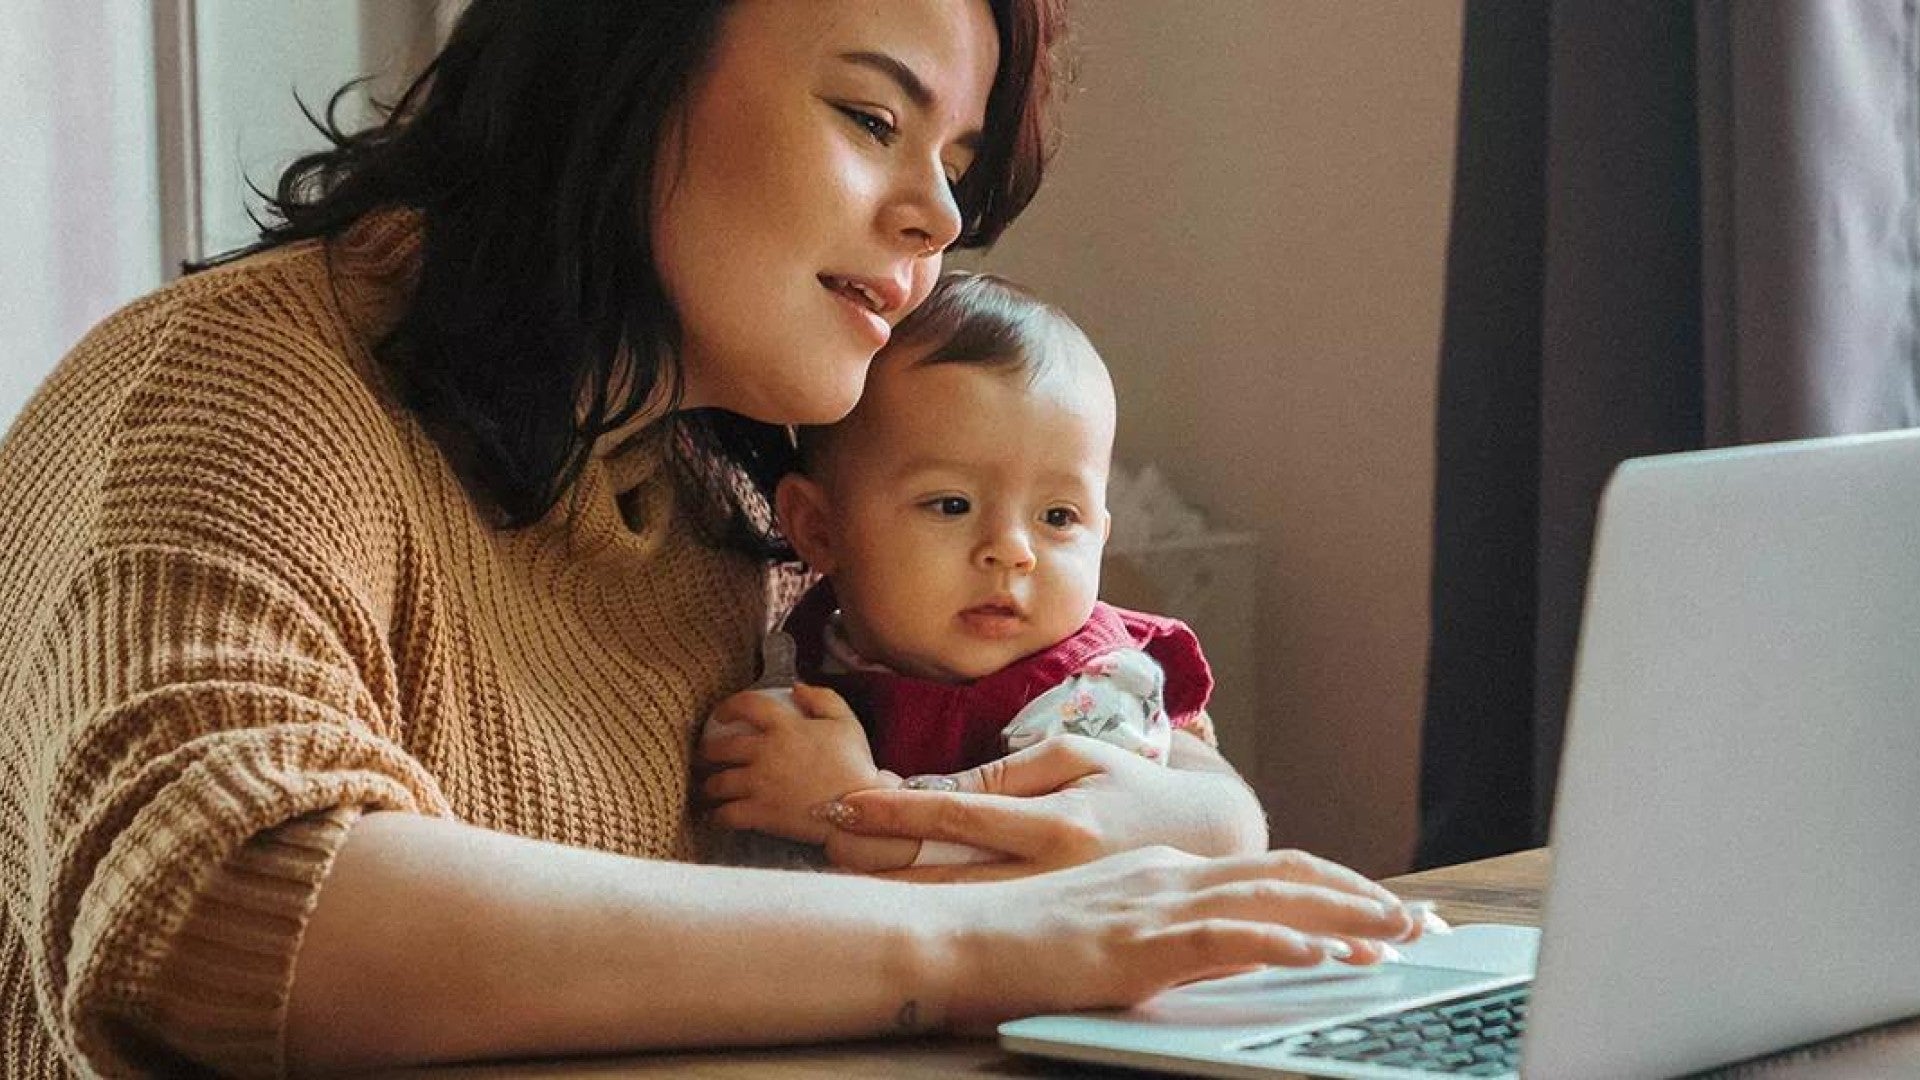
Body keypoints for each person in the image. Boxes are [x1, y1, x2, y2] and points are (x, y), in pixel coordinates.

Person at [0, 2, 1426, 1076]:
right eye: (875, 119)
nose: (937, 214)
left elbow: (1173, 785)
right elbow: (216, 901)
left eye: (958, 163)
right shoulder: (229, 389)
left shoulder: (717, 506)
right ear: (624, 72)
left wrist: (1182, 823)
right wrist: (980, 937)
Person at [698, 271, 1230, 872]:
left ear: (1100, 538)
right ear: (820, 529)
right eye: (952, 505)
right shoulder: (812, 652)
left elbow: (1048, 860)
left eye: (1058, 516)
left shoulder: (1090, 693)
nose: (1012, 551)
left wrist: (851, 803)